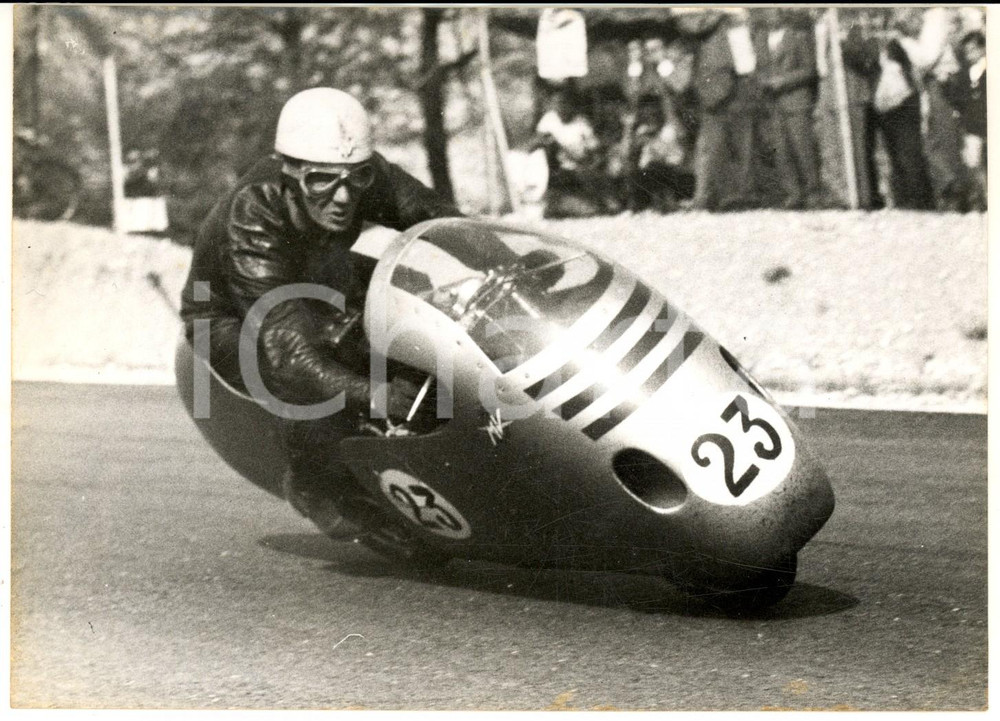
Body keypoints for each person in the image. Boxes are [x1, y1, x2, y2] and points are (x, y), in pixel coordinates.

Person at [179, 87, 466, 539]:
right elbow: (288, 351)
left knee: (422, 293)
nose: (342, 197)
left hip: (317, 278)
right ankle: (315, 484)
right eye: (321, 182)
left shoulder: (355, 174)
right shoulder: (251, 215)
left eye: (357, 179)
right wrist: (374, 394)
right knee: (310, 359)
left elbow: (445, 224)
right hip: (230, 315)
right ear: (289, 173)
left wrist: (514, 265)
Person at [753, 8, 824, 210]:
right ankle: (793, 194)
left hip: (796, 100)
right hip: (773, 103)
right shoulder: (760, 38)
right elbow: (758, 68)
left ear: (782, 15)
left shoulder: (798, 37)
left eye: (774, 12)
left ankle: (814, 193)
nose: (770, 16)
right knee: (781, 150)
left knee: (803, 148)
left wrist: (783, 81)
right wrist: (762, 81)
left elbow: (810, 70)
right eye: (766, 12)